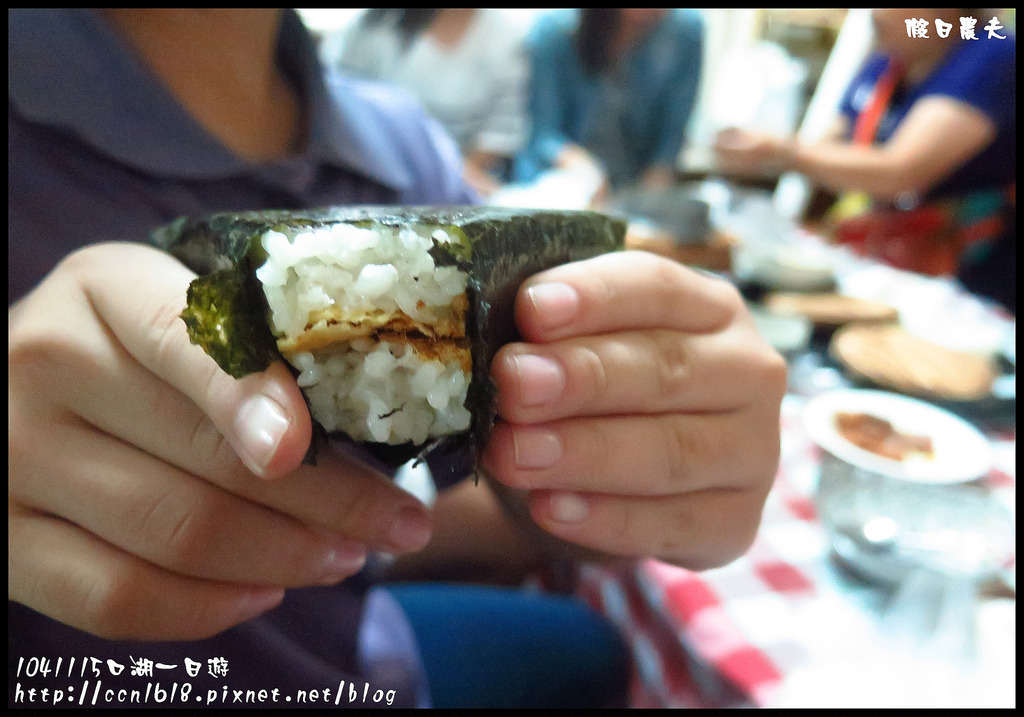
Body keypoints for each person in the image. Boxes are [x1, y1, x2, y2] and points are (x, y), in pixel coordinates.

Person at [8, 8, 786, 709]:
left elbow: (494, 478)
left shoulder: (402, 147)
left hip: (357, 665)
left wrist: (617, 462)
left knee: (596, 650)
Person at [713, 8, 1015, 314]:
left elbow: (899, 173)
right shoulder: (890, 59)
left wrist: (784, 152)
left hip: (971, 288)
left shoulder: (993, 51)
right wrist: (781, 152)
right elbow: (826, 148)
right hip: (887, 267)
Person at [321, 8, 529, 198]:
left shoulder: (506, 36)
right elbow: (337, 106)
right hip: (374, 175)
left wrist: (452, 176)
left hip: (469, 184)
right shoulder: (372, 26)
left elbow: (499, 134)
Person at [513, 8, 705, 196]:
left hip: (633, 189)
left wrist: (652, 193)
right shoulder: (554, 29)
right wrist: (585, 172)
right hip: (562, 184)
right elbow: (541, 134)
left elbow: (672, 136)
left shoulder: (685, 29)